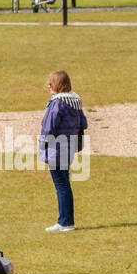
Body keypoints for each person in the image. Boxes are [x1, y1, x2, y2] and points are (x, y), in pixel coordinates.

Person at [39, 69, 87, 232]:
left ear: (55, 85)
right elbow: (83, 123)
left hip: (56, 147)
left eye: (50, 83)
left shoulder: (57, 103)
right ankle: (65, 220)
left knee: (61, 185)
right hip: (69, 146)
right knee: (64, 183)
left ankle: (65, 222)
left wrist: (42, 143)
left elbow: (49, 126)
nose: (48, 85)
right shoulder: (76, 101)